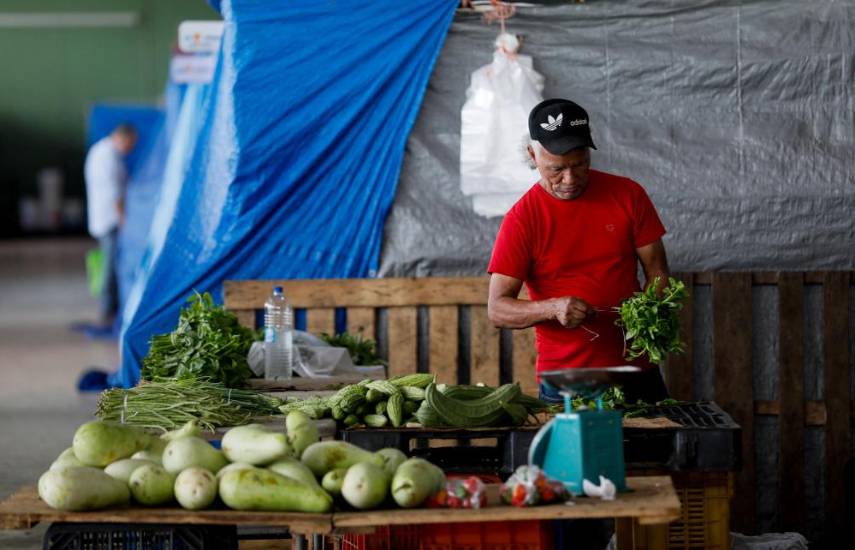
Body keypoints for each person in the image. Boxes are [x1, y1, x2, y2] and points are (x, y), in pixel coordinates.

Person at [487, 98, 671, 405]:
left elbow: (658, 272)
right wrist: (553, 308)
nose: (569, 179)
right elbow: (497, 309)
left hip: (638, 370)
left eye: (579, 164)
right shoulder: (522, 220)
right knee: (577, 454)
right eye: (556, 169)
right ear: (533, 155)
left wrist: (652, 319)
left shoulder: (629, 195)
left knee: (655, 450)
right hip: (567, 382)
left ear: (589, 150)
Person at [84, 123, 137, 330]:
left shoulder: (104, 151)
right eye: (129, 145)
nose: (129, 150)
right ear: (122, 138)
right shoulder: (106, 155)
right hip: (109, 218)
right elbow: (113, 191)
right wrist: (123, 218)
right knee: (109, 264)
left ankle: (110, 307)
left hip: (106, 216)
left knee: (111, 262)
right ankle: (107, 309)